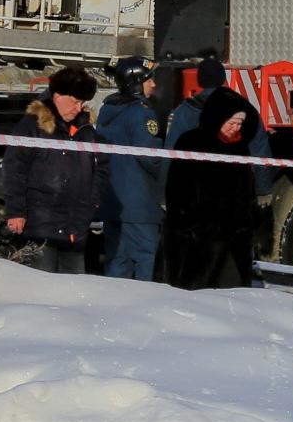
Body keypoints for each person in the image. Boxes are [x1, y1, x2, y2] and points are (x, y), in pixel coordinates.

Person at [2, 65, 103, 273]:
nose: (79, 107)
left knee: (74, 292)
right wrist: (16, 211)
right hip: (40, 228)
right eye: (75, 101)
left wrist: (92, 201)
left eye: (82, 103)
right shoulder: (31, 127)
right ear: (58, 96)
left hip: (75, 228)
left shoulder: (85, 131)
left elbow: (102, 167)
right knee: (41, 291)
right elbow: (15, 170)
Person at [164, 82, 264, 289]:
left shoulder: (240, 147)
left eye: (239, 124)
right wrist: (189, 223)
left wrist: (246, 222)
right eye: (231, 122)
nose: (235, 128)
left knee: (232, 295)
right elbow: (176, 187)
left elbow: (246, 189)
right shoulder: (191, 142)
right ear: (218, 118)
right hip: (196, 239)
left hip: (234, 241)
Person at [94, 56, 166, 280]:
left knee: (117, 263)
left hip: (114, 204)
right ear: (135, 82)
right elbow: (151, 158)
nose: (153, 84)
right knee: (148, 261)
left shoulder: (108, 110)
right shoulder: (141, 113)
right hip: (139, 207)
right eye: (148, 80)